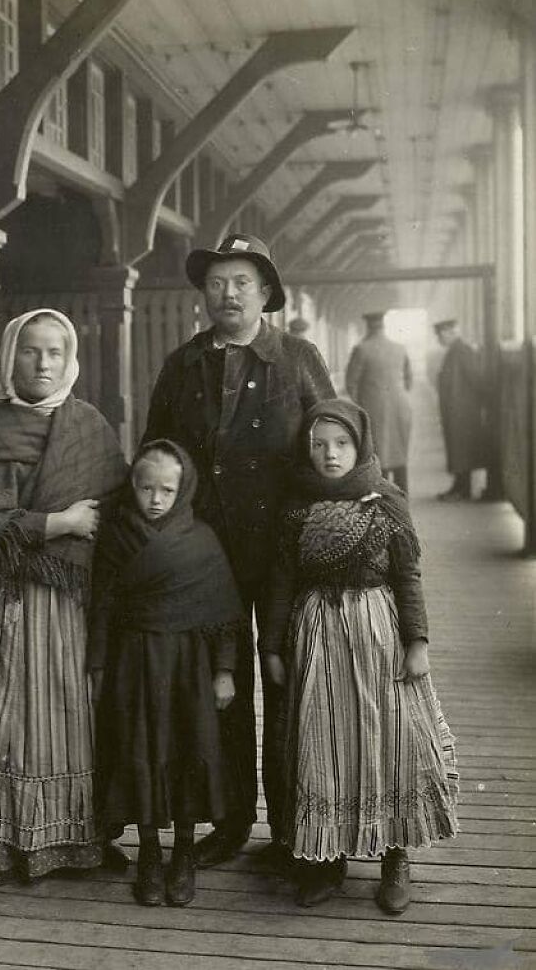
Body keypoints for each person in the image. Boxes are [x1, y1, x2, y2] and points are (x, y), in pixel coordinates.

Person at [143, 233, 335, 868]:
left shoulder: (298, 358)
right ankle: (226, 821)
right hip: (207, 556)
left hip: (285, 553)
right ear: (203, 293)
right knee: (217, 687)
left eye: (242, 283)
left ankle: (292, 825)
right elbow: (158, 455)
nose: (228, 294)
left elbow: (335, 443)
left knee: (287, 679)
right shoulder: (182, 364)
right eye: (217, 283)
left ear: (266, 294)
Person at [0, 308, 127, 885]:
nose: (43, 363)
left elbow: (115, 508)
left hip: (66, 603)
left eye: (55, 353)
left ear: (70, 361)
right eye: (30, 351)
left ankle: (64, 838)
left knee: (63, 711)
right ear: (9, 355)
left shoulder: (88, 424)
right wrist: (60, 523)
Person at [262, 399, 458, 913]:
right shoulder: (295, 509)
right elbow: (279, 583)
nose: (331, 454)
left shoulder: (387, 502)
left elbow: (407, 578)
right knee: (324, 746)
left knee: (388, 741)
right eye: (319, 444)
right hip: (318, 638)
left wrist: (416, 642)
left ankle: (396, 856)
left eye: (342, 443)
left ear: (361, 444)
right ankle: (326, 860)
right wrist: (272, 647)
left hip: (376, 636)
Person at [89, 440, 245, 907]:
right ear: (131, 486)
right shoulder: (116, 538)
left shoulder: (202, 540)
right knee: (140, 749)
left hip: (189, 669)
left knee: (187, 750)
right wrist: (97, 665)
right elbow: (101, 605)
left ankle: (183, 853)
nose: (155, 499)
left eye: (167, 490)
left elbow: (224, 615)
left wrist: (224, 671)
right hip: (134, 666)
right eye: (145, 488)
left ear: (184, 488)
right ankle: (150, 852)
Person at [345, 310, 413, 494]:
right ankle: (402, 496)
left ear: (368, 327)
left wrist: (362, 404)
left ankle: (382, 498)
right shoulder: (400, 348)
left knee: (377, 453)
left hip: (373, 408)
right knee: (399, 452)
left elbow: (351, 384)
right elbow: (409, 379)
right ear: (384, 326)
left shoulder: (362, 349)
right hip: (401, 406)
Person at [433, 319, 485, 501]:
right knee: (458, 449)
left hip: (463, 411)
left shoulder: (462, 351)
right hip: (457, 410)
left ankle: (463, 490)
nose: (438, 339)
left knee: (462, 449)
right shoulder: (456, 351)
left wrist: (471, 405)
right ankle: (459, 486)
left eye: (440, 335)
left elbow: (477, 379)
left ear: (450, 332)